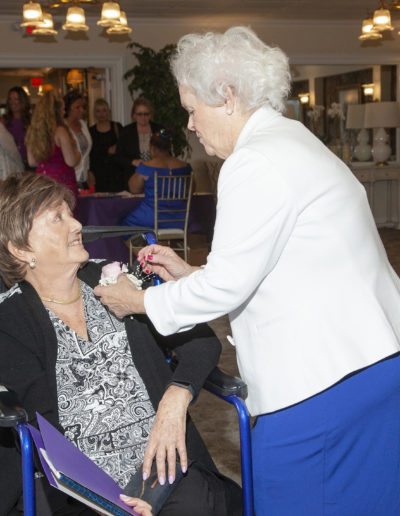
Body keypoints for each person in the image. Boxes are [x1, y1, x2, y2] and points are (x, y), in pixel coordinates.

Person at [94, 26, 400, 515]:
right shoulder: (292, 139)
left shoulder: (254, 160)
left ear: (227, 97)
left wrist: (138, 301)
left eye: (192, 108)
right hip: (369, 363)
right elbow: (277, 265)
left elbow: (228, 285)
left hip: (321, 385)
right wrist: (191, 273)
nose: (190, 124)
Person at [0, 172, 241, 516]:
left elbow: (201, 341)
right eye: (57, 218)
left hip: (161, 467)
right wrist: (108, 500)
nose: (77, 224)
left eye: (70, 213)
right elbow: (46, 433)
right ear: (21, 249)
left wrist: (177, 395)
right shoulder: (10, 320)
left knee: (197, 504)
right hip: (82, 488)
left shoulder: (115, 281)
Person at [122, 130, 192, 229]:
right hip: (181, 218)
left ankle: (150, 239)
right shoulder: (185, 166)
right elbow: (191, 190)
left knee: (125, 225)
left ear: (152, 148)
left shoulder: (146, 167)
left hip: (152, 216)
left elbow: (134, 189)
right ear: (169, 147)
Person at [26, 90, 80, 200]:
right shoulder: (60, 131)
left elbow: (32, 162)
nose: (64, 112)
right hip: (62, 183)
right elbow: (71, 161)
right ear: (56, 111)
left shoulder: (33, 132)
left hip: (42, 183)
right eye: (63, 109)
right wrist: (78, 154)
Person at [114, 97, 162, 189]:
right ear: (134, 115)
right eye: (139, 114)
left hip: (157, 176)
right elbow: (118, 156)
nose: (143, 117)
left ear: (150, 115)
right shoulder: (126, 131)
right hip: (134, 177)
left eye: (146, 114)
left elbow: (167, 152)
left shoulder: (158, 129)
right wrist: (133, 162)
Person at [89, 98, 123, 192]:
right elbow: (90, 155)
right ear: (94, 114)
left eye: (104, 110)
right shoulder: (91, 131)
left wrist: (117, 148)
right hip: (98, 174)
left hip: (116, 173)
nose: (101, 114)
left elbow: (125, 146)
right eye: (98, 111)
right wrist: (90, 172)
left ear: (108, 112)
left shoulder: (117, 127)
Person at [64, 90, 93, 188]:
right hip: (68, 178)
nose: (82, 110)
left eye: (83, 107)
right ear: (68, 109)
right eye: (77, 107)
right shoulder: (63, 127)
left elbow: (86, 154)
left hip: (83, 178)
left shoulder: (83, 124)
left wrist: (88, 173)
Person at [2, 86, 31, 167]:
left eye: (16, 99)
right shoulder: (3, 121)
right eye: (10, 99)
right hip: (10, 163)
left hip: (28, 163)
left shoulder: (31, 121)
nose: (12, 102)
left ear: (23, 101)